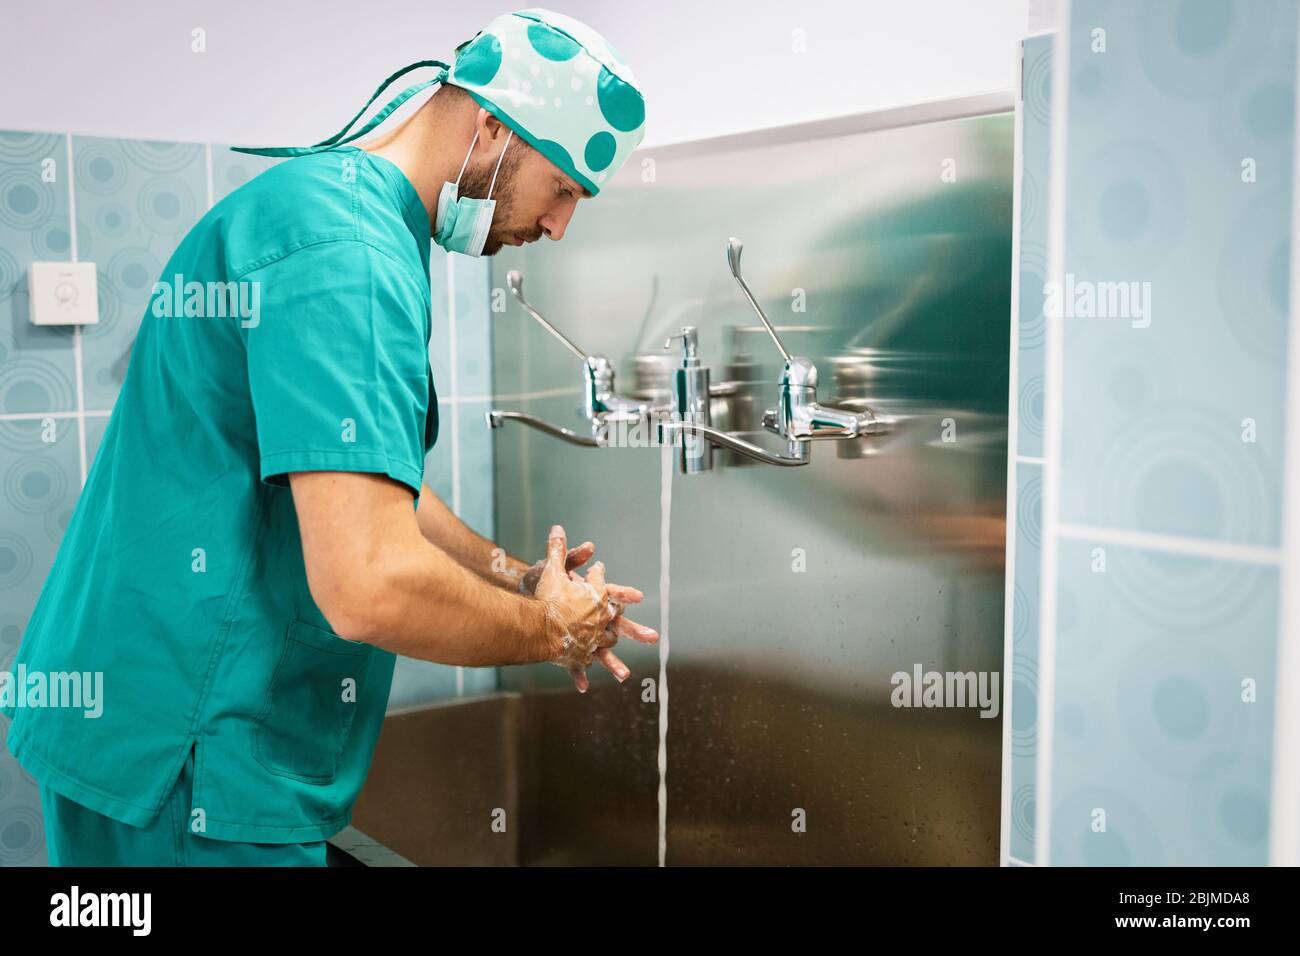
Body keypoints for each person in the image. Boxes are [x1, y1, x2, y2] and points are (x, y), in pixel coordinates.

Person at [1, 7, 654, 866]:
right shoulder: (348, 253)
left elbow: (374, 491)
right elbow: (369, 583)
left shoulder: (336, 214)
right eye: (563, 188)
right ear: (494, 129)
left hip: (155, 725)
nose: (561, 224)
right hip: (192, 759)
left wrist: (522, 578)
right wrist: (552, 633)